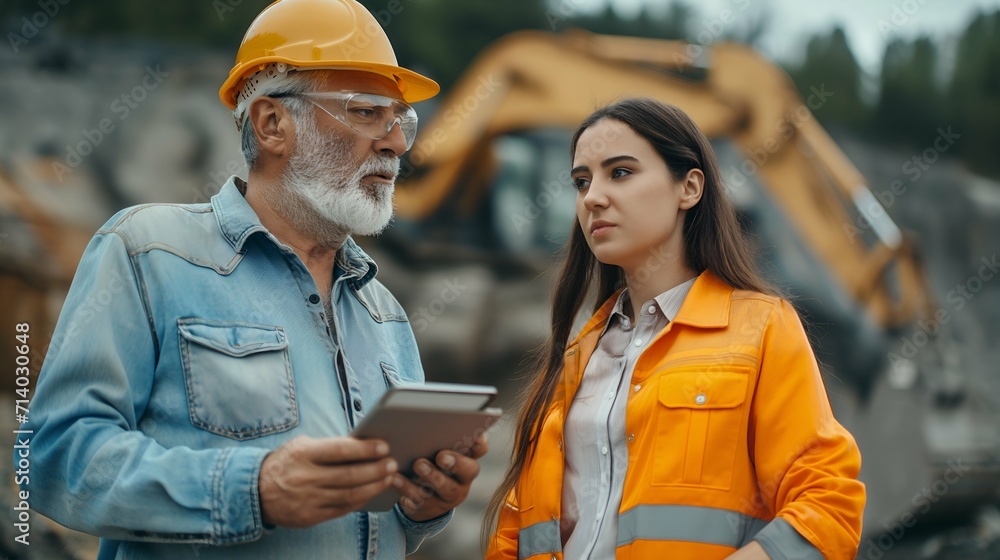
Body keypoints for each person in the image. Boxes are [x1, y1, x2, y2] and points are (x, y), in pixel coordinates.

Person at [21, 1, 486, 558]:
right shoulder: (150, 253)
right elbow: (51, 458)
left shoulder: (383, 313)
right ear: (272, 124)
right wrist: (252, 489)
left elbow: (384, 526)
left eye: (399, 119)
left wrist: (424, 505)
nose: (397, 142)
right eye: (366, 112)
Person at [483, 98, 865, 560]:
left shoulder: (761, 329)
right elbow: (516, 534)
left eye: (619, 172)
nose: (592, 197)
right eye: (581, 181)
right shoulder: (579, 356)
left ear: (689, 188)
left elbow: (828, 502)